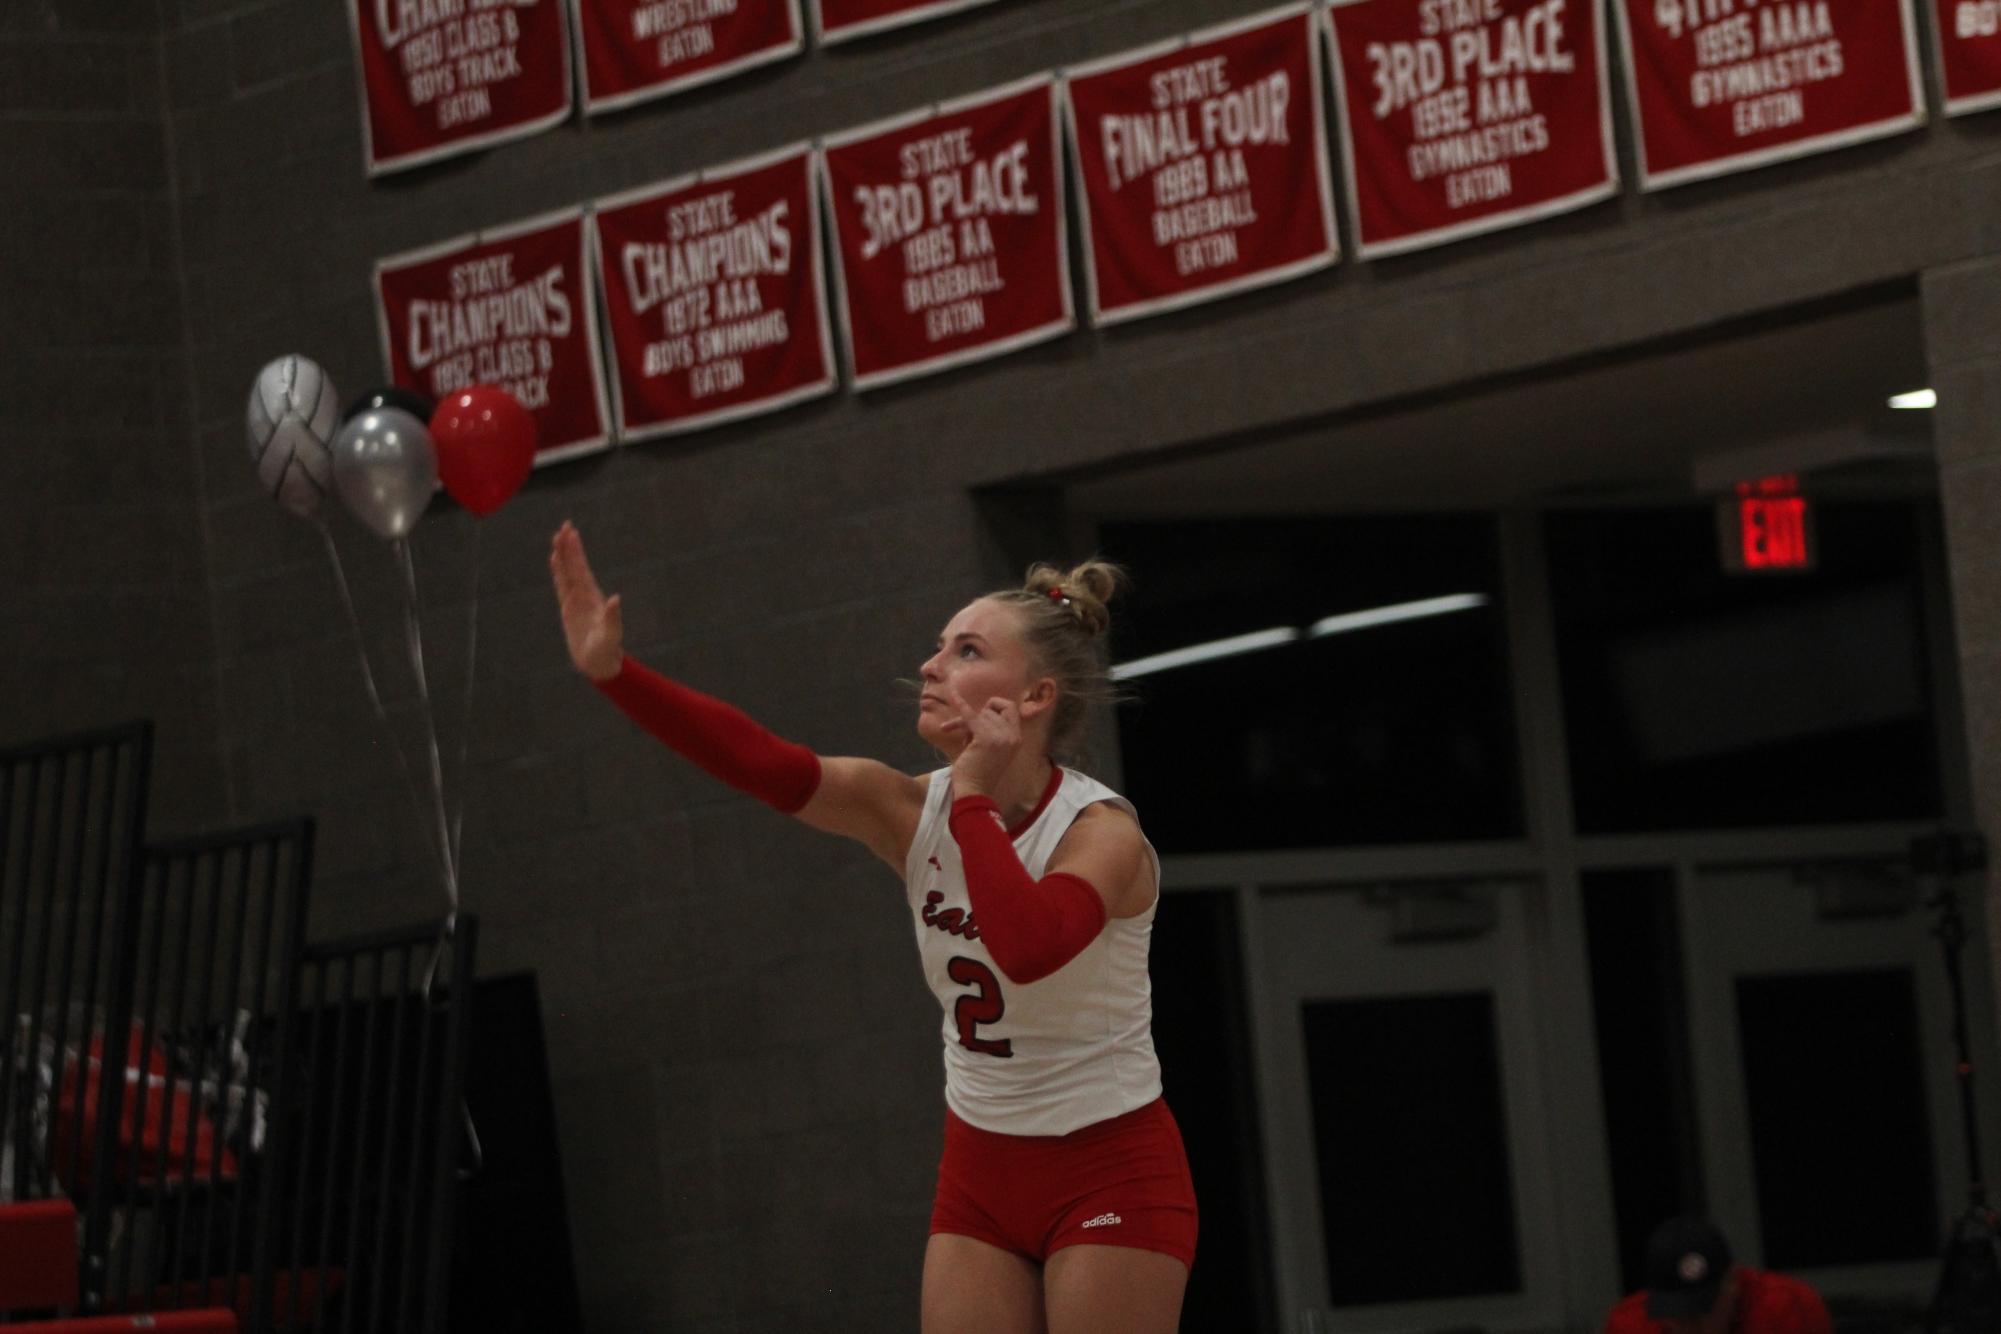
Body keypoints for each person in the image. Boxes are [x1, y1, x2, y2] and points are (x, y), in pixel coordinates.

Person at [549, 521, 1197, 1333]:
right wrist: (617, 676)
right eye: (939, 645)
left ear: (1034, 698)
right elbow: (760, 762)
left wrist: (971, 800)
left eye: (966, 651)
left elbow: (1029, 948)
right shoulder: (901, 805)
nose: (929, 665)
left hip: (1109, 1163)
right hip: (982, 1166)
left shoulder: (1100, 833)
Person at [1604, 1216, 1832, 1334]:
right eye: (1677, 1315)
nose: (1690, 1327)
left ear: (1733, 1283)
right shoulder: (1631, 1325)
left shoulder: (1785, 1308)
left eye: (1702, 1310)